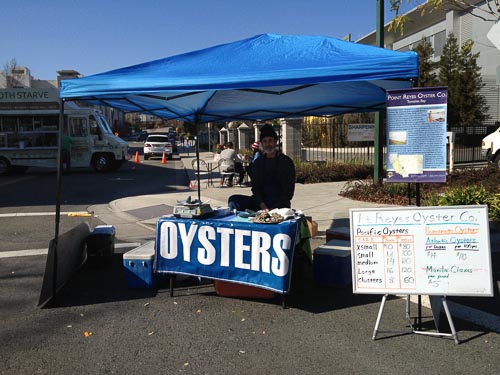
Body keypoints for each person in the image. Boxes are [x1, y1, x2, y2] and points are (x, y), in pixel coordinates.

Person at [228, 124, 295, 211]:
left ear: (275, 142)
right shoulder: (258, 162)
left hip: (279, 204)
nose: (268, 144)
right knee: (234, 200)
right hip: (260, 203)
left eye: (270, 140)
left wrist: (273, 209)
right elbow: (255, 188)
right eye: (265, 141)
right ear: (262, 144)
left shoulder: (286, 162)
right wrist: (262, 205)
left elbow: (288, 192)